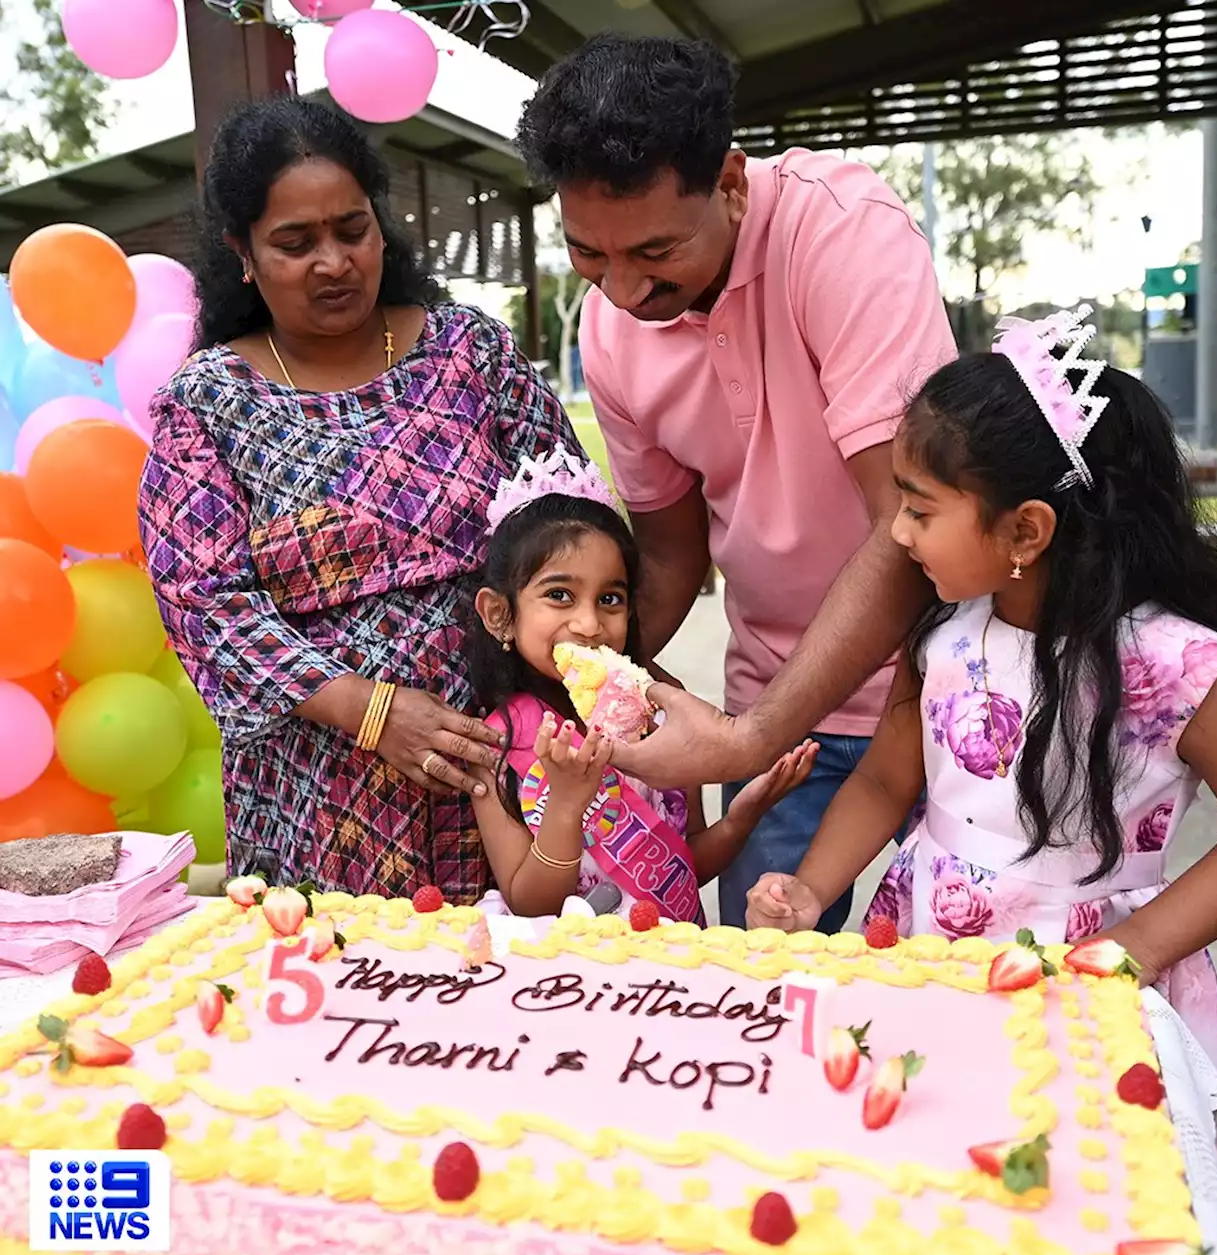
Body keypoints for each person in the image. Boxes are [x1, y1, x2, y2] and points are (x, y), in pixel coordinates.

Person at [745, 307, 1217, 1255]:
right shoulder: (945, 636)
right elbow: (884, 782)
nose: (897, 532)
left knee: (1081, 1213)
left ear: (1026, 528)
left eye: (918, 505)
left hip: (1101, 988)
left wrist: (1138, 946)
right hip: (931, 959)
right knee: (939, 1208)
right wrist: (814, 888)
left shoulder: (1174, 664)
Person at [515, 34, 955, 930]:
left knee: (970, 992)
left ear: (730, 182)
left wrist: (749, 738)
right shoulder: (608, 332)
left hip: (943, 696)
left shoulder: (843, 235)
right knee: (762, 983)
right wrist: (577, 675)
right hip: (772, 699)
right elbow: (673, 557)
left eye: (654, 251)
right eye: (590, 256)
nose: (627, 291)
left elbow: (907, 527)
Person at [137, 98, 584, 901]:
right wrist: (373, 714)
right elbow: (206, 610)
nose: (333, 262)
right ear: (243, 253)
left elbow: (572, 526)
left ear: (382, 226)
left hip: (501, 766)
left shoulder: (468, 353)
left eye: (351, 229)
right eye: (294, 243)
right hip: (314, 794)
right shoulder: (206, 403)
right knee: (338, 1009)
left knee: (514, 1002)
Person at [466, 443, 818, 920]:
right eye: (560, 595)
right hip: (574, 978)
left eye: (610, 598)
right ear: (499, 613)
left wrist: (741, 818)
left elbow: (683, 868)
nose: (589, 623)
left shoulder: (661, 721)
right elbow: (531, 903)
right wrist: (567, 805)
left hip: (670, 970)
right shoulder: (496, 745)